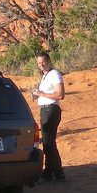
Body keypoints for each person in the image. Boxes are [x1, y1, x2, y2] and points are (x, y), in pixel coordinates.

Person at [31, 52, 65, 183]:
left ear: (49, 61)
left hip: (51, 110)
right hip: (45, 110)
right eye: (39, 63)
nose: (41, 65)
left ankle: (57, 172)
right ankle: (50, 172)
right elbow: (46, 94)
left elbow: (60, 95)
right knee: (48, 143)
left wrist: (42, 93)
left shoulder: (54, 74)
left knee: (48, 143)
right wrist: (37, 95)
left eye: (43, 62)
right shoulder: (45, 76)